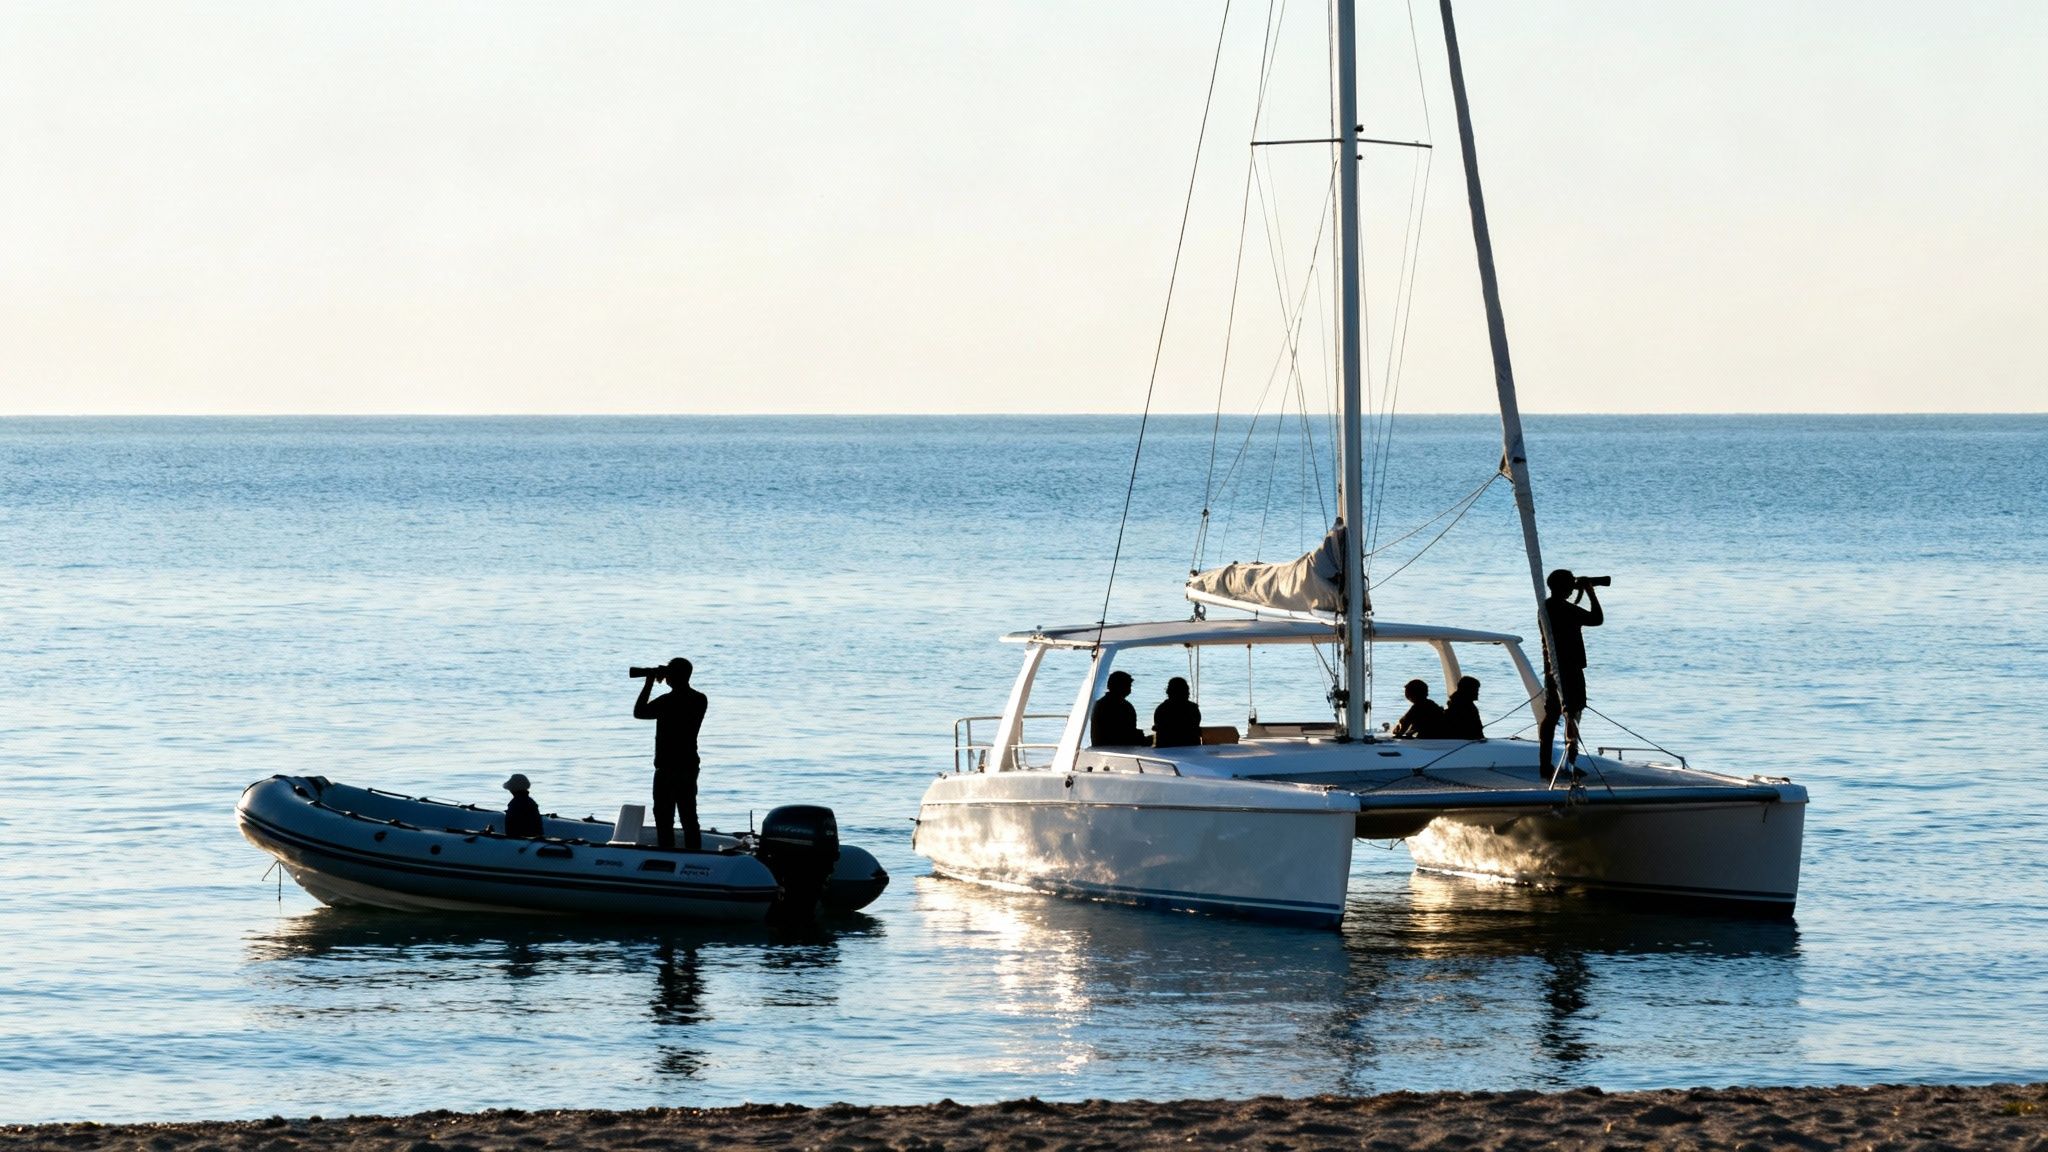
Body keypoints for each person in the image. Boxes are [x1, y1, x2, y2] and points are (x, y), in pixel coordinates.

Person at [634, 656, 707, 851]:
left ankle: (668, 854)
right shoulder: (700, 699)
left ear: (673, 676)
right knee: (689, 816)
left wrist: (649, 682)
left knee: (664, 818)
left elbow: (639, 712)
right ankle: (695, 855)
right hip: (689, 767)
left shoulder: (668, 701)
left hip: (667, 769)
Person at [1540, 568, 1604, 777]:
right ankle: (1570, 763)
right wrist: (1590, 592)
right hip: (1570, 669)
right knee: (1572, 715)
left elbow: (1576, 615)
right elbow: (1597, 618)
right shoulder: (1563, 609)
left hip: (1553, 669)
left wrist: (1581, 590)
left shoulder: (1547, 607)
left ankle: (1546, 764)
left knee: (1552, 716)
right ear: (1565, 587)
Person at [1090, 670, 1146, 746]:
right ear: (1120, 687)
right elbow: (1120, 733)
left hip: (1102, 745)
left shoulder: (1099, 704)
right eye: (1128, 686)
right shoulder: (1123, 706)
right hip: (1116, 746)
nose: (1130, 689)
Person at [1151, 676, 1202, 748]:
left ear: (1168, 692)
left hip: (1166, 748)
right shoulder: (1193, 708)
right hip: (1190, 746)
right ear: (1186, 691)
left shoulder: (1161, 709)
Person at [502, 773, 543, 838]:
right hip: (534, 838)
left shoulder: (515, 804)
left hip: (521, 840)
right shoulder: (530, 802)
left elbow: (511, 829)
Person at [1444, 676, 1484, 741]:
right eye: (1476, 690)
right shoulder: (1467, 707)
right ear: (1469, 690)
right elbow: (1475, 731)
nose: (1477, 693)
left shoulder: (1455, 702)